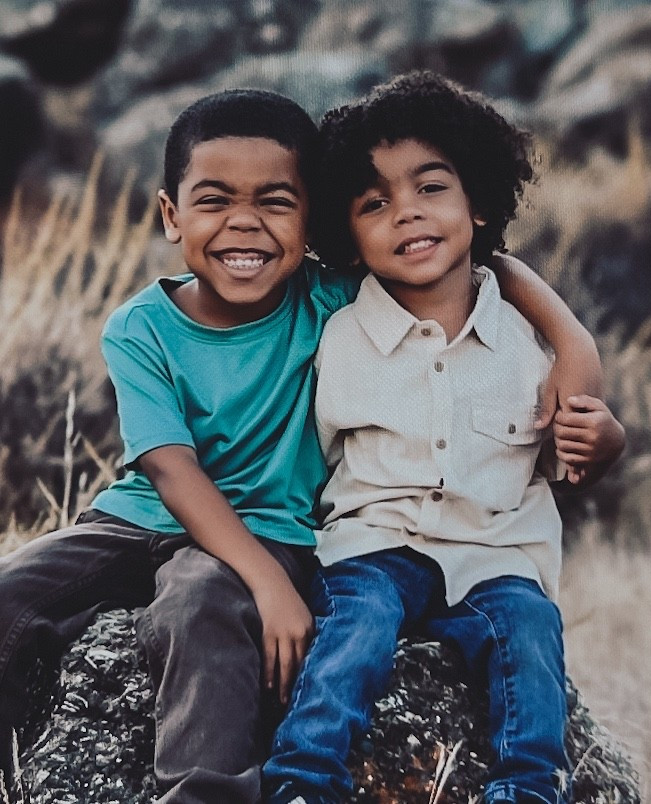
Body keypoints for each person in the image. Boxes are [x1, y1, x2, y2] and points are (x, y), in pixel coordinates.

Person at [0, 86, 605, 804]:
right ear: (170, 215)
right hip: (139, 519)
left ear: (311, 219)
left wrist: (570, 340)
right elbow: (169, 470)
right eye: (213, 201)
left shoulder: (333, 297)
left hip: (272, 529)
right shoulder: (140, 326)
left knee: (199, 602)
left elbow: (481, 263)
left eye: (275, 202)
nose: (243, 225)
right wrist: (272, 589)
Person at [262, 72, 626, 804]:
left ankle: (528, 788)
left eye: (430, 188)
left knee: (528, 637)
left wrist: (602, 439)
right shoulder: (338, 336)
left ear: (479, 202)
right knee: (355, 627)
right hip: (376, 544)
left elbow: (565, 458)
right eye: (374, 203)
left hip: (496, 553)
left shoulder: (526, 343)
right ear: (346, 235)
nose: (407, 215)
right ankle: (303, 778)